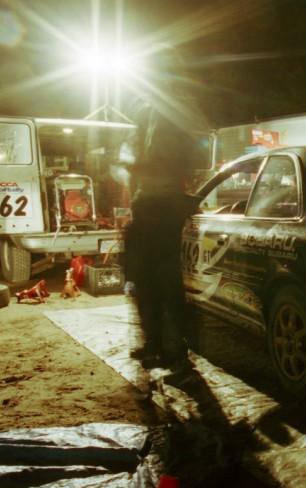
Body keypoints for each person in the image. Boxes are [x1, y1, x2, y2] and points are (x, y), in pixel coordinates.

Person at [122, 44, 207, 370]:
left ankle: (175, 348)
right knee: (145, 278)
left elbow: (181, 156)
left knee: (165, 278)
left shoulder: (177, 109)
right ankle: (155, 343)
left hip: (164, 201)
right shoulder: (146, 111)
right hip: (148, 201)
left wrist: (142, 167)